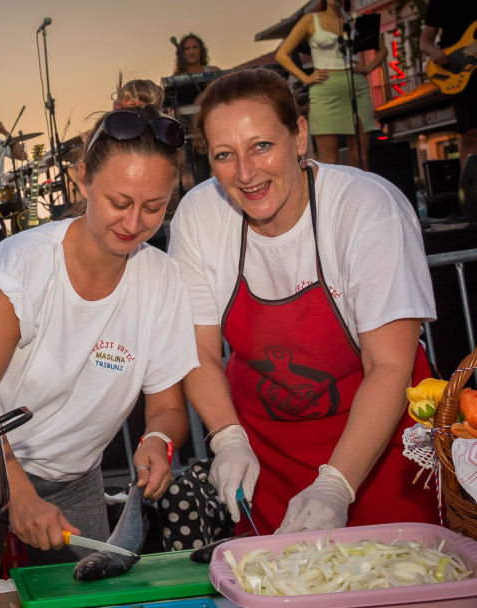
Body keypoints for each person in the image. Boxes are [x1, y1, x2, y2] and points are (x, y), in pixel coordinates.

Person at [169, 68, 439, 537]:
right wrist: (228, 437)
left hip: (382, 449)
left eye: (261, 146)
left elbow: (390, 366)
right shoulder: (199, 216)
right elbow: (199, 350)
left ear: (299, 135)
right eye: (224, 156)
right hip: (266, 459)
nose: (246, 174)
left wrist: (336, 484)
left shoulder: (366, 208)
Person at [0, 79, 198, 568]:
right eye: (119, 202)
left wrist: (157, 441)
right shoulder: (22, 267)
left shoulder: (163, 278)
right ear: (83, 179)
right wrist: (16, 492)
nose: (133, 224)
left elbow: (168, 405)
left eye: (153, 208)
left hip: (76, 479)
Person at [276, 0, 387, 169]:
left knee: (360, 157)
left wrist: (368, 68)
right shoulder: (310, 20)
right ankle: (329, 195)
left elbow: (383, 50)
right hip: (325, 90)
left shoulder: (354, 20)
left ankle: (360, 194)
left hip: (356, 88)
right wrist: (305, 78)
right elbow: (282, 54)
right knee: (328, 161)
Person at [421, 0, 477, 168]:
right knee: (469, 132)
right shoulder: (438, 3)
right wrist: (434, 52)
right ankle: (469, 189)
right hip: (459, 71)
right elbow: (424, 41)